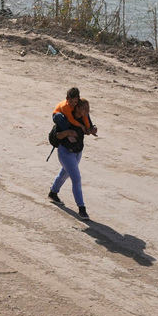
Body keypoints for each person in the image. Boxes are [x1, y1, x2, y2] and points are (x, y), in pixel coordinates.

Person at [48, 87, 98, 220]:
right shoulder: (63, 118)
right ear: (76, 108)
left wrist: (91, 130)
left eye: (88, 110)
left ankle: (53, 192)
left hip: (77, 152)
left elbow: (87, 130)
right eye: (84, 109)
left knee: (64, 174)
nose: (87, 112)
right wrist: (68, 133)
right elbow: (57, 135)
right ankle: (82, 208)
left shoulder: (83, 117)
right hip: (65, 153)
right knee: (76, 179)